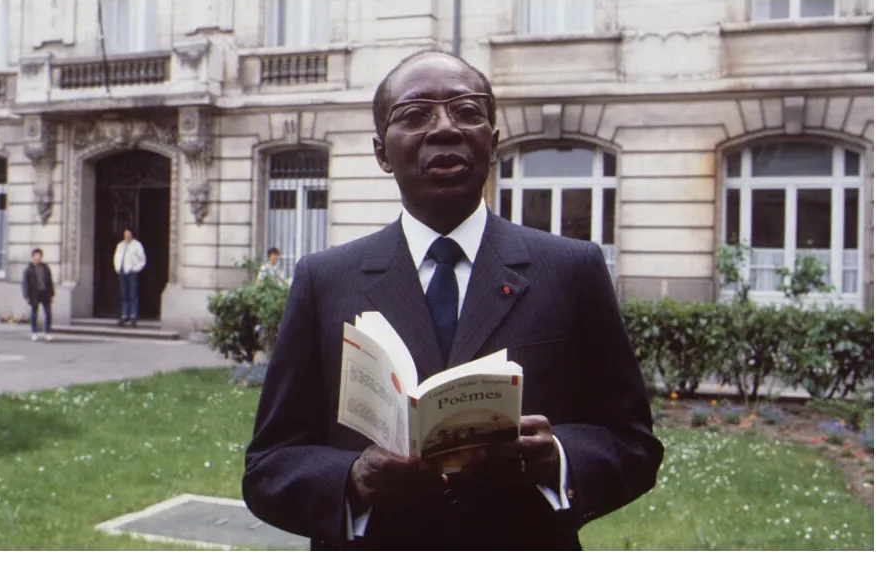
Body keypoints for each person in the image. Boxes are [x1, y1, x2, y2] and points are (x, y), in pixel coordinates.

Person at [242, 50, 664, 552]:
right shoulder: (325, 279)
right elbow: (270, 464)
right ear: (381, 153)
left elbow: (633, 444)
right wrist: (353, 480)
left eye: (467, 111)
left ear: (494, 141)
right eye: (415, 114)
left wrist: (558, 458)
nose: (444, 128)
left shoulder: (572, 269)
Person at [113, 228, 146, 327]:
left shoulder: (137, 245)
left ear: (132, 235)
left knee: (133, 294)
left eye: (128, 234)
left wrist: (135, 268)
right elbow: (116, 257)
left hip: (131, 272)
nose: (126, 236)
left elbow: (142, 259)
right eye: (125, 234)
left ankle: (133, 315)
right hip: (122, 271)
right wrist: (118, 268)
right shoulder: (120, 245)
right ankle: (124, 315)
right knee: (124, 294)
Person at [21, 248, 55, 342]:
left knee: (48, 313)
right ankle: (34, 332)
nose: (38, 258)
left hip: (45, 292)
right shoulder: (28, 270)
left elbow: (50, 282)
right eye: (36, 256)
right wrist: (26, 296)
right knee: (34, 313)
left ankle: (47, 332)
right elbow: (25, 283)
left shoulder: (45, 268)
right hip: (34, 293)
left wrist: (52, 294)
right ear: (33, 257)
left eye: (39, 256)